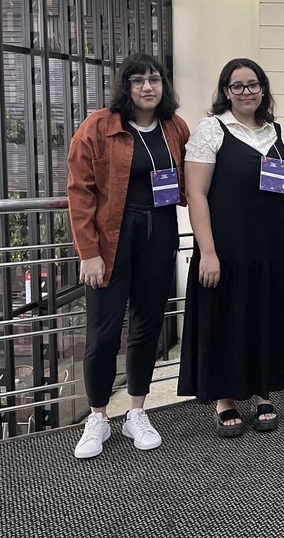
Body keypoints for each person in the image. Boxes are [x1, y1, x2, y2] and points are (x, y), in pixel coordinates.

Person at [67, 54, 190, 459]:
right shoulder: (98, 125)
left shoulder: (175, 127)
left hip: (160, 236)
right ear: (125, 87)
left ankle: (137, 411)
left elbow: (194, 179)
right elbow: (80, 192)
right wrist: (88, 253)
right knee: (103, 334)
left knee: (146, 326)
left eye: (154, 79)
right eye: (138, 81)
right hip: (110, 240)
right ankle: (98, 417)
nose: (147, 87)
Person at [177, 58, 284, 437]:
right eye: (238, 85)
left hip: (271, 246)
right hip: (225, 247)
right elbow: (196, 194)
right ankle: (225, 400)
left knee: (264, 316)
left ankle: (261, 393)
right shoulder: (211, 130)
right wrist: (207, 251)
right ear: (226, 91)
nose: (247, 92)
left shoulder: (275, 131)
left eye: (253, 84)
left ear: (263, 88)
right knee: (225, 318)